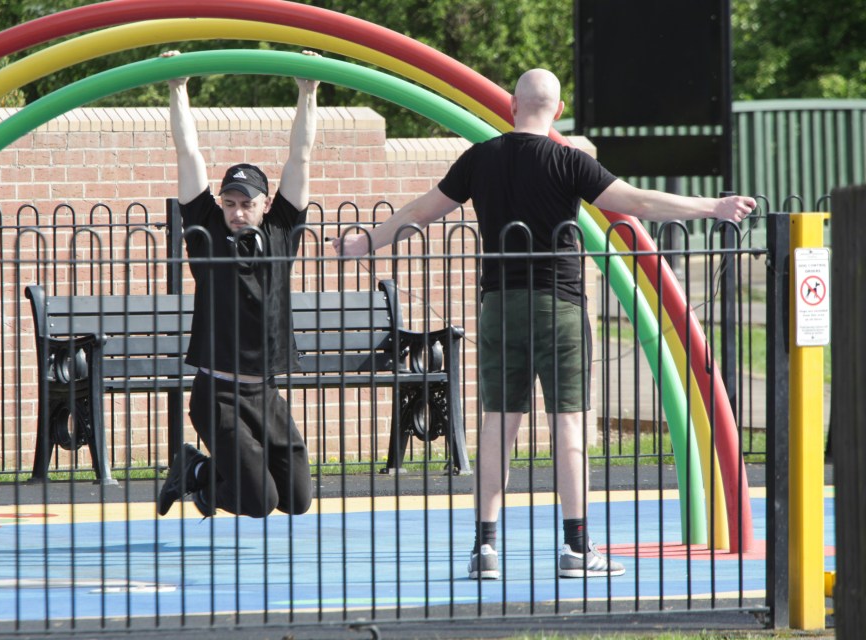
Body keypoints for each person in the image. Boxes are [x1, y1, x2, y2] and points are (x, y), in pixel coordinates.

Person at [333, 68, 755, 580]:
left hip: (499, 304)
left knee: (498, 422)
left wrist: (365, 244)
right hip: (560, 304)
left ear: (511, 107)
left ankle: (484, 548)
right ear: (557, 112)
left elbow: (423, 212)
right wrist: (712, 206)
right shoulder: (569, 161)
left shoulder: (479, 159)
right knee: (568, 422)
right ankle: (577, 548)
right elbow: (639, 203)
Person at [157, 50, 320, 519]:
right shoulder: (207, 234)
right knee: (259, 501)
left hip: (264, 392)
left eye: (246, 203)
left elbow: (300, 156)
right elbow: (188, 154)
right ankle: (198, 475)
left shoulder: (281, 232)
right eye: (229, 202)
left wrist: (307, 91)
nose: (236, 210)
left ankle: (194, 470)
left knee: (297, 499)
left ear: (266, 205)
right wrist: (177, 88)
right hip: (218, 394)